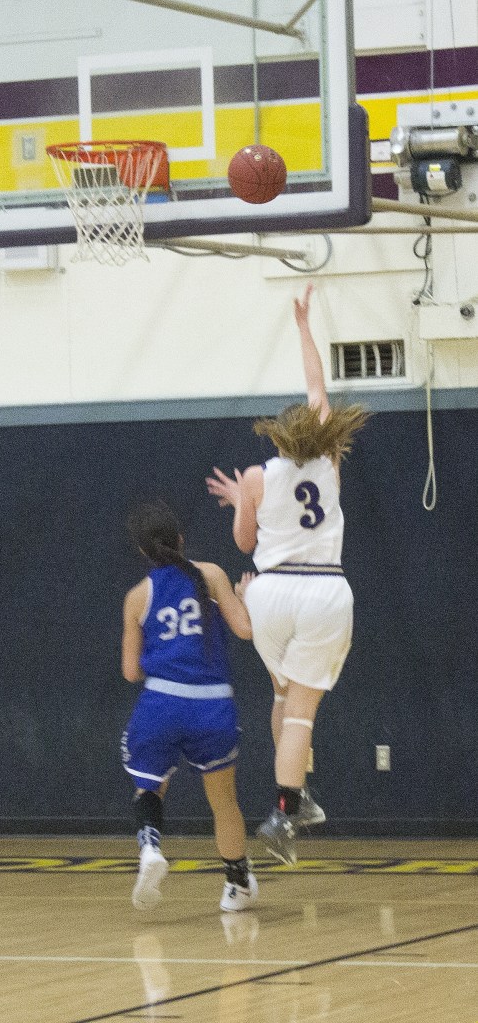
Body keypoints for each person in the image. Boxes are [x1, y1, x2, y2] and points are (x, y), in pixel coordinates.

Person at [206, 283, 368, 867]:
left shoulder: (255, 474)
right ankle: (285, 807)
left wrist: (241, 501)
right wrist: (304, 326)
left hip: (270, 590)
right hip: (323, 587)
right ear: (320, 436)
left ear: (278, 435)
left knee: (281, 693)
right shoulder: (329, 462)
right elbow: (318, 389)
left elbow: (245, 544)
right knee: (302, 712)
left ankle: (297, 796)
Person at [121, 500, 258, 913]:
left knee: (149, 783)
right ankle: (236, 885)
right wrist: (245, 596)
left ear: (143, 551)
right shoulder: (211, 574)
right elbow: (246, 630)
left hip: (162, 700)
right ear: (181, 540)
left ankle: (150, 848)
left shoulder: (137, 596)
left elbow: (130, 672)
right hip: (212, 705)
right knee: (223, 801)